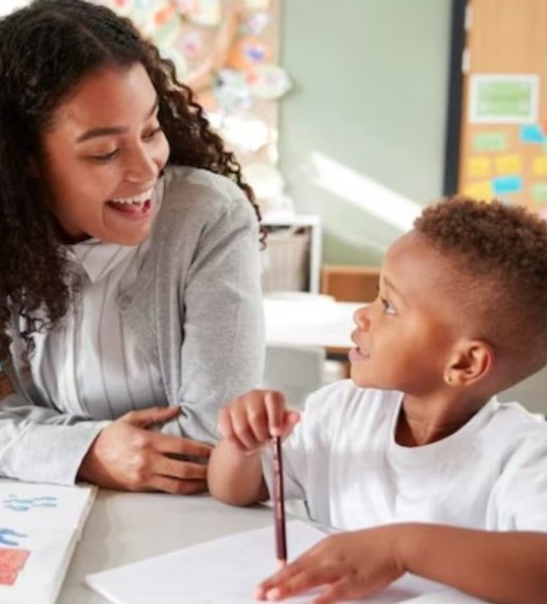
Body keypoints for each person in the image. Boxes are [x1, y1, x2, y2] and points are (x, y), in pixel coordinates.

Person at [0, 0, 265, 493]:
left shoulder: (208, 218)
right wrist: (91, 451)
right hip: (36, 516)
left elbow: (211, 441)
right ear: (26, 160)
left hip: (177, 527)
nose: (146, 169)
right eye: (105, 152)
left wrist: (6, 422)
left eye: (152, 130)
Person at [208, 197, 547, 604]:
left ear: (464, 363)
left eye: (388, 306)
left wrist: (401, 548)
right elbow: (235, 489)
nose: (362, 316)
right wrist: (243, 443)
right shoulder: (341, 411)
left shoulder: (523, 455)